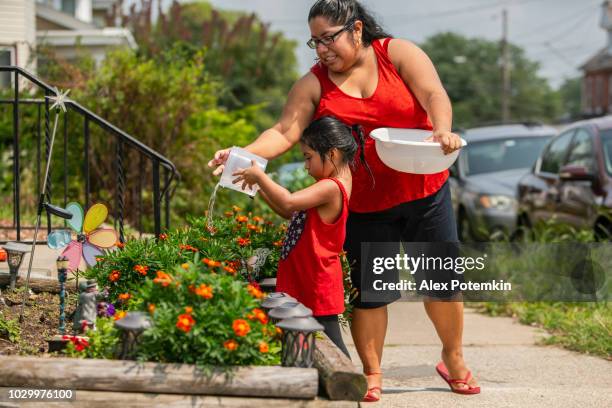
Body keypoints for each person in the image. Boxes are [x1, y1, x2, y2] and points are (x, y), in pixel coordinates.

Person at [209, 0, 479, 401]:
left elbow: (433, 94)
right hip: (365, 202)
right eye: (314, 41)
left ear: (355, 29)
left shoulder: (397, 53)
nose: (321, 49)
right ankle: (371, 373)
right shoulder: (314, 82)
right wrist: (241, 155)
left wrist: (442, 130)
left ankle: (453, 359)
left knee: (440, 282)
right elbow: (284, 131)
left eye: (328, 38)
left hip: (425, 188)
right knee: (372, 291)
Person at [233, 116, 369, 357]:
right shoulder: (328, 185)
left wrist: (261, 176)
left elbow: (288, 200)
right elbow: (288, 210)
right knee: (309, 340)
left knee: (331, 344)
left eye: (308, 157)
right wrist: (258, 187)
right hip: (306, 276)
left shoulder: (331, 187)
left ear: (333, 154)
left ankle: (349, 386)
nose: (306, 166)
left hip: (317, 281)